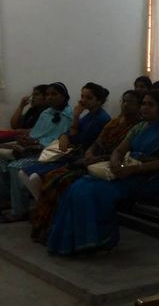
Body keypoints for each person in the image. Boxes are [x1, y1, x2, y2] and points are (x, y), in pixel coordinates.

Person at [46, 90, 159, 255]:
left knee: (92, 192)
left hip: (148, 178)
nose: (145, 108)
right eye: (143, 104)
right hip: (125, 172)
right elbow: (119, 150)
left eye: (150, 105)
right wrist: (115, 162)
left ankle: (99, 239)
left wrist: (133, 169)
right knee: (78, 187)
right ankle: (72, 241)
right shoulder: (140, 127)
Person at [30, 90, 141, 243]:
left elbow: (127, 154)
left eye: (131, 102)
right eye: (124, 101)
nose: (125, 105)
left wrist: (95, 158)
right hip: (91, 161)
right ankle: (48, 228)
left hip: (109, 166)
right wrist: (90, 153)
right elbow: (97, 142)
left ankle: (63, 233)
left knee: (64, 182)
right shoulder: (114, 122)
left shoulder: (137, 126)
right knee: (52, 177)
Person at [15, 83, 112, 217]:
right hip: (70, 155)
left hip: (82, 159)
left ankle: (49, 210)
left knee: (35, 177)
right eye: (82, 96)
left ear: (99, 101)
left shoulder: (101, 118)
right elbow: (69, 134)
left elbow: (79, 138)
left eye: (88, 98)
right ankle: (46, 209)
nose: (83, 100)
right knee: (24, 173)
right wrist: (65, 136)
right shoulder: (89, 115)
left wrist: (74, 119)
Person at [0, 83, 74, 220]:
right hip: (35, 149)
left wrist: (33, 144)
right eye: (47, 94)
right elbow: (37, 134)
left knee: (14, 167)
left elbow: (57, 143)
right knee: (2, 160)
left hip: (51, 155)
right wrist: (27, 141)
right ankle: (6, 200)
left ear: (64, 96)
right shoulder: (46, 112)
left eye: (54, 94)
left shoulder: (69, 116)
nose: (49, 97)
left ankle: (19, 211)